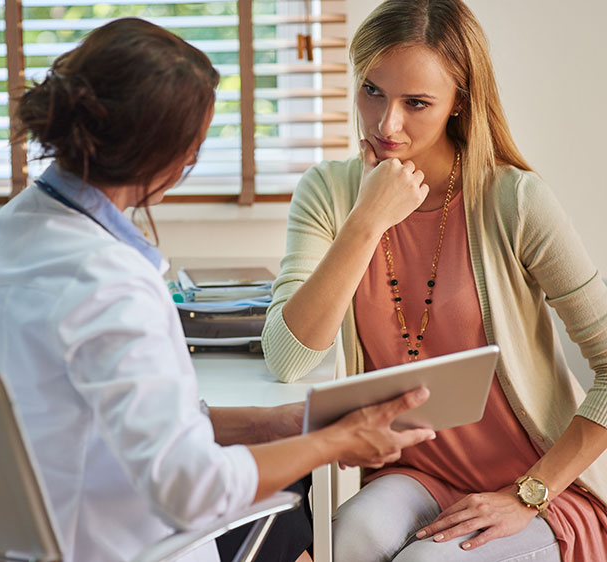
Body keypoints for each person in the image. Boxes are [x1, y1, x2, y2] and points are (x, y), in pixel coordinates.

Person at [0, 18, 438, 562]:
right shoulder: (112, 284)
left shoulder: (6, 235)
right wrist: (335, 442)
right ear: (168, 161)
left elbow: (119, 414)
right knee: (293, 506)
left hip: (42, 531)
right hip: (126, 542)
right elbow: (191, 487)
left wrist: (274, 422)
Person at [260, 0, 607, 560]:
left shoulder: (513, 200)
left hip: (534, 484)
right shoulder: (328, 192)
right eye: (372, 90)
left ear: (459, 102)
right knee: (340, 541)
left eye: (416, 103)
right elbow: (287, 357)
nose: (385, 123)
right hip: (416, 476)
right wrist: (368, 218)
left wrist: (531, 492)